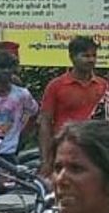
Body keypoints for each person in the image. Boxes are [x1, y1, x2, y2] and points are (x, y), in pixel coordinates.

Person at [38, 36, 108, 175]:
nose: (91, 60)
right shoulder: (56, 86)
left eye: (94, 55)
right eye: (85, 56)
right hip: (65, 151)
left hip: (95, 152)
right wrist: (46, 160)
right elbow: (44, 123)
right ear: (72, 57)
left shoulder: (103, 86)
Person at [0, 52, 38, 159]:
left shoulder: (22, 95)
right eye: (1, 67)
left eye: (8, 67)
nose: (5, 71)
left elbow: (34, 114)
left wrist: (21, 136)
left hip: (9, 153)